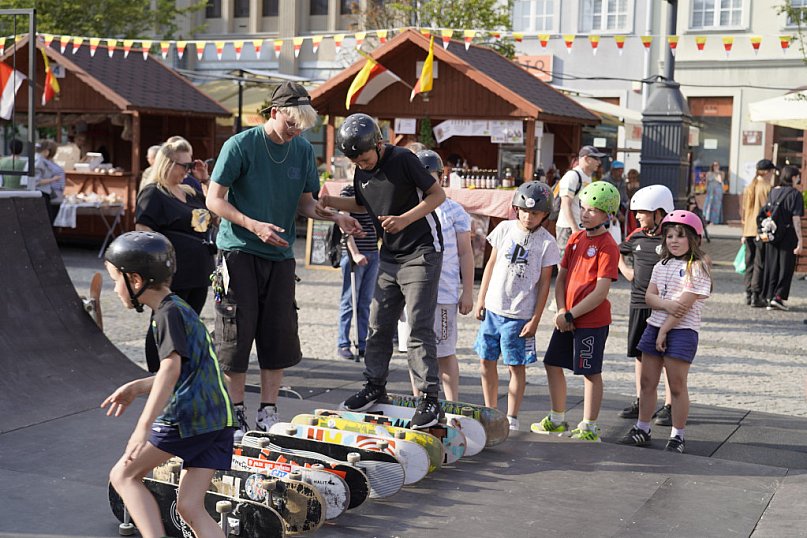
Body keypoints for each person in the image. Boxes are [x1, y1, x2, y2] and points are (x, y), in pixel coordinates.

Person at [206, 81, 363, 442]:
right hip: (239, 251)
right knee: (236, 335)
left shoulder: (302, 151)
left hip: (280, 256)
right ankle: (237, 411)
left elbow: (306, 203)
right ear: (274, 113)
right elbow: (214, 200)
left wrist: (334, 218)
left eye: (302, 127)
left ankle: (268, 410)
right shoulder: (241, 145)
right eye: (291, 124)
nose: (296, 132)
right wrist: (253, 225)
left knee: (277, 333)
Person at [315, 113, 446, 429]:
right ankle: (375, 385)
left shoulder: (403, 159)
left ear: (379, 143)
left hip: (422, 251)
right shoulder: (361, 171)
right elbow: (363, 205)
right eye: (356, 161)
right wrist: (330, 202)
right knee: (377, 324)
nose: (363, 164)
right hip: (389, 257)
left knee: (417, 326)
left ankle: (429, 400)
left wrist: (405, 219)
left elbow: (437, 195)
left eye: (366, 157)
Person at [101, 231, 235, 538]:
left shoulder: (166, 315)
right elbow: (188, 370)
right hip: (218, 420)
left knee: (123, 476)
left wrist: (143, 425)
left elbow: (171, 368)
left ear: (135, 280)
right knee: (190, 506)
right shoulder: (180, 309)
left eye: (114, 280)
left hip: (188, 419)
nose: (114, 288)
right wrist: (137, 387)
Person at [531, 181, 620, 441]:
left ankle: (589, 426)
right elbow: (561, 278)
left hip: (591, 321)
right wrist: (561, 310)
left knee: (589, 372)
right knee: (552, 363)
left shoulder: (608, 245)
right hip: (566, 316)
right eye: (583, 208)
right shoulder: (575, 238)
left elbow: (601, 292)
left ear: (607, 214)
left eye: (593, 210)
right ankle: (557, 418)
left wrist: (572, 315)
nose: (585, 213)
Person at [617, 211, 711, 454]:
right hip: (655, 326)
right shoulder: (661, 265)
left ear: (693, 239)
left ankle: (677, 435)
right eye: (669, 236)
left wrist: (664, 330)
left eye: (680, 236)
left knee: (677, 385)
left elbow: (683, 306)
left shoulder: (697, 267)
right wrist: (665, 306)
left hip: (681, 331)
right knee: (647, 382)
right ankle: (642, 428)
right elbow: (649, 296)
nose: (674, 241)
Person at [474, 182, 558, 430]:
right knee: (485, 361)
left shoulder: (547, 243)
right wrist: (481, 298)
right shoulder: (504, 228)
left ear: (544, 215)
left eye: (535, 213)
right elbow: (490, 264)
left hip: (519, 315)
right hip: (493, 309)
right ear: (516, 209)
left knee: (515, 365)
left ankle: (511, 416)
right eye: (524, 211)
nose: (528, 217)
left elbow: (544, 284)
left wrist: (535, 319)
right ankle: (490, 410)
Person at [136, 139, 216, 373]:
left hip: (199, 270)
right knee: (165, 322)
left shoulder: (190, 192)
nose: (187, 170)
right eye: (184, 165)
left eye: (190, 164)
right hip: (173, 273)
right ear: (167, 164)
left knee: (190, 322)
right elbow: (143, 232)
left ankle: (182, 370)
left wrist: (205, 180)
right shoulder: (154, 193)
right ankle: (157, 371)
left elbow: (215, 213)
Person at [403, 149, 474, 402]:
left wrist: (468, 291)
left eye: (429, 177)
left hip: (443, 293)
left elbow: (466, 253)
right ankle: (419, 400)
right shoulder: (405, 210)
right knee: (415, 351)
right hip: (411, 292)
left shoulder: (454, 211)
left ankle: (451, 403)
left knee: (444, 352)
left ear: (441, 178)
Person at [616, 185, 675, 426]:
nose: (637, 216)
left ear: (659, 212)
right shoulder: (636, 236)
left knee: (669, 356)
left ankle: (670, 406)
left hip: (664, 307)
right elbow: (616, 251)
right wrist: (625, 270)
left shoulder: (672, 237)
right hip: (638, 304)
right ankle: (642, 400)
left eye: (642, 212)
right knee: (640, 355)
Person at [337, 183, 379, 361]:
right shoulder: (348, 192)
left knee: (365, 302)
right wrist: (354, 253)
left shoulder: (376, 190)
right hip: (355, 253)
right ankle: (343, 343)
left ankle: (362, 342)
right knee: (349, 300)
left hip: (372, 252)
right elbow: (343, 225)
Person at [761, 165, 804, 310]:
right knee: (786, 267)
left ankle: (770, 296)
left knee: (772, 265)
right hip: (788, 234)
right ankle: (778, 297)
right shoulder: (795, 194)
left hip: (772, 234)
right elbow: (796, 218)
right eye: (797, 176)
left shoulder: (773, 192)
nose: (798, 179)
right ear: (793, 177)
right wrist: (800, 240)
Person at [555, 146, 606, 256]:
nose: (599, 162)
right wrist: (574, 228)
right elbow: (565, 204)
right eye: (596, 159)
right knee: (565, 263)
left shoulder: (588, 177)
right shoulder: (572, 176)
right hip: (568, 228)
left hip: (581, 228)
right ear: (587, 159)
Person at [741, 160, 776, 307]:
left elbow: (744, 211)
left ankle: (748, 294)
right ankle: (757, 295)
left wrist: (743, 232)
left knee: (749, 263)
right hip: (761, 230)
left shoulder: (749, 187)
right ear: (767, 172)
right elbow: (770, 211)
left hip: (748, 230)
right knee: (759, 263)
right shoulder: (768, 188)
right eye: (772, 172)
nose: (773, 175)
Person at [33, 140, 65, 223]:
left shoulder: (43, 160)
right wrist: (53, 179)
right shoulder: (39, 161)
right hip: (44, 193)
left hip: (49, 194)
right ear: (46, 152)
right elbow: (36, 181)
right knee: (47, 220)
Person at [604, 160, 629, 236]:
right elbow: (608, 200)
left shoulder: (622, 181)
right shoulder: (605, 181)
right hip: (606, 213)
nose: (620, 173)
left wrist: (629, 204)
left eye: (621, 171)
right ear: (612, 170)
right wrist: (618, 214)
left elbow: (624, 197)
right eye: (618, 171)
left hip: (618, 210)